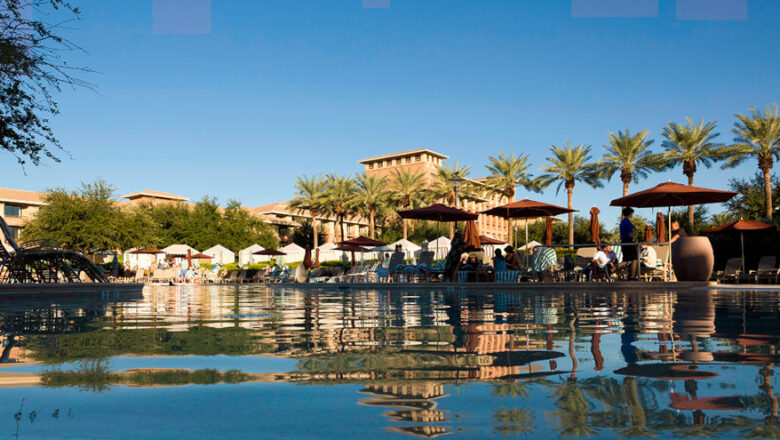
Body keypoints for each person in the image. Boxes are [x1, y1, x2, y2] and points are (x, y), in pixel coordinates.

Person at [620, 207, 639, 280]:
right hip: (628, 242)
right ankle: (632, 276)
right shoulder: (628, 222)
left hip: (623, 242)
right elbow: (629, 234)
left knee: (625, 261)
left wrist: (632, 226)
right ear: (630, 213)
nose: (632, 215)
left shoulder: (622, 222)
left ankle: (611, 270)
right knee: (634, 259)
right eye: (632, 213)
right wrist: (634, 232)